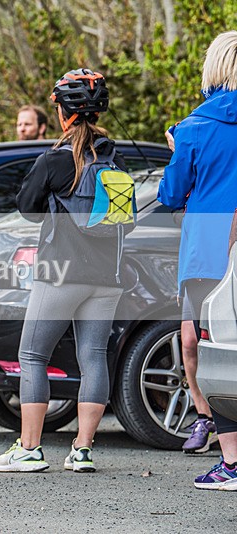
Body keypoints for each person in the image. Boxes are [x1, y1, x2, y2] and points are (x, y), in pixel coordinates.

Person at [0, 69, 125, 473]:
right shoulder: (113, 157)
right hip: (107, 277)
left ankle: (29, 448)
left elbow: (26, 208)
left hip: (60, 274)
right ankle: (82, 450)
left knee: (32, 354)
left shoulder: (55, 160)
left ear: (64, 114)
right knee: (93, 356)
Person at [157, 31, 237, 489]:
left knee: (206, 351)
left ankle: (227, 455)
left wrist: (176, 152)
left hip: (208, 254)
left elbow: (170, 194)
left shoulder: (193, 128)